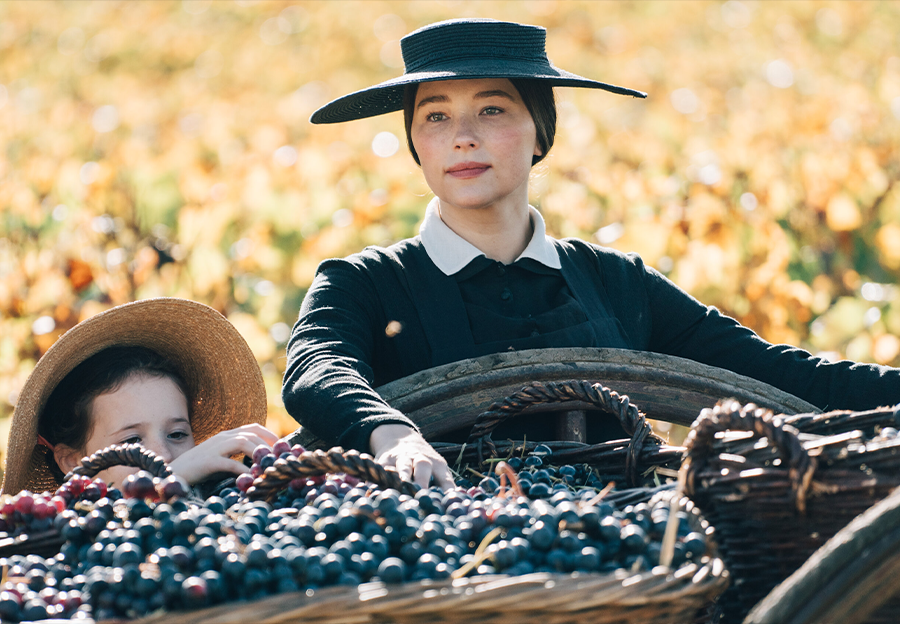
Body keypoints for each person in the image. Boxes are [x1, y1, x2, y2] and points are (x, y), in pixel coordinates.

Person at [283, 18, 900, 489]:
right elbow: (316, 367)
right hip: (448, 567)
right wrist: (389, 432)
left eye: (491, 109)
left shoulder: (618, 282)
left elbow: (775, 374)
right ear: (416, 141)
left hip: (632, 563)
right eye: (435, 116)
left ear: (540, 131)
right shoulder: (365, 284)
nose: (462, 136)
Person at [2, 297, 277, 495]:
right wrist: (173, 478)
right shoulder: (62, 551)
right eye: (132, 441)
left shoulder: (228, 506)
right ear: (73, 463)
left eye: (178, 434)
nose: (164, 455)